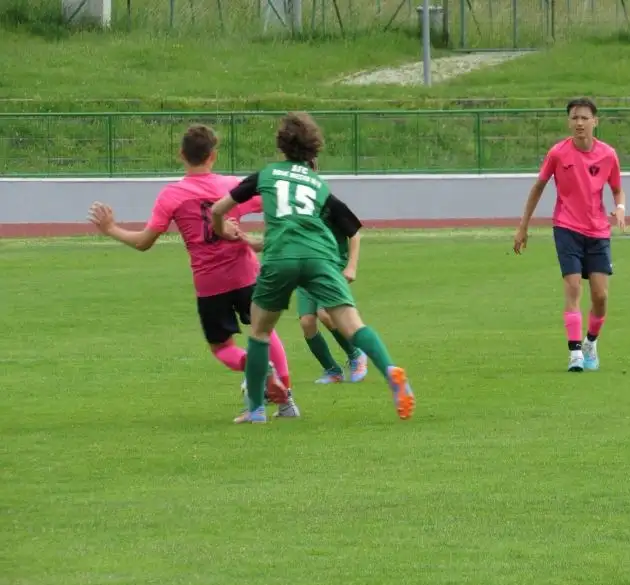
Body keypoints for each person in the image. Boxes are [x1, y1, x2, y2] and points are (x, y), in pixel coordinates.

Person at [210, 111, 415, 424]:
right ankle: (390, 372)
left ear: (282, 144)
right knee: (353, 325)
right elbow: (328, 224)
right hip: (320, 257)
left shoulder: (266, 174)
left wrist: (222, 228)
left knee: (261, 331)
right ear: (312, 148)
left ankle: (255, 410)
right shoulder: (318, 184)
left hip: (280, 258)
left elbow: (218, 209)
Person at [87, 124, 300, 419]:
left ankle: (258, 367)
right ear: (213, 155)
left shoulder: (171, 195)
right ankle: (286, 401)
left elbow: (144, 242)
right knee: (264, 330)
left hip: (210, 281)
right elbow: (275, 204)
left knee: (222, 347)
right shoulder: (231, 186)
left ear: (181, 155)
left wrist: (111, 228)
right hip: (246, 272)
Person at [513, 97, 627, 373]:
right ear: (569, 122)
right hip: (566, 227)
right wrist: (523, 226)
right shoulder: (558, 153)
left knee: (600, 296)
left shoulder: (608, 154)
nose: (579, 123)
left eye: (584, 118)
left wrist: (620, 208)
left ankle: (590, 343)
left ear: (595, 122)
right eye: (574, 118)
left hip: (598, 230)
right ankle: (574, 352)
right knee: (573, 285)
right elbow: (538, 187)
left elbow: (617, 189)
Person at [296, 186, 368, 385]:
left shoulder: (330, 203)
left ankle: (356, 355)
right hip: (306, 266)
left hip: (331, 265)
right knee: (307, 322)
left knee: (326, 314)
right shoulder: (293, 206)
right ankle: (332, 370)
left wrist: (351, 266)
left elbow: (354, 234)